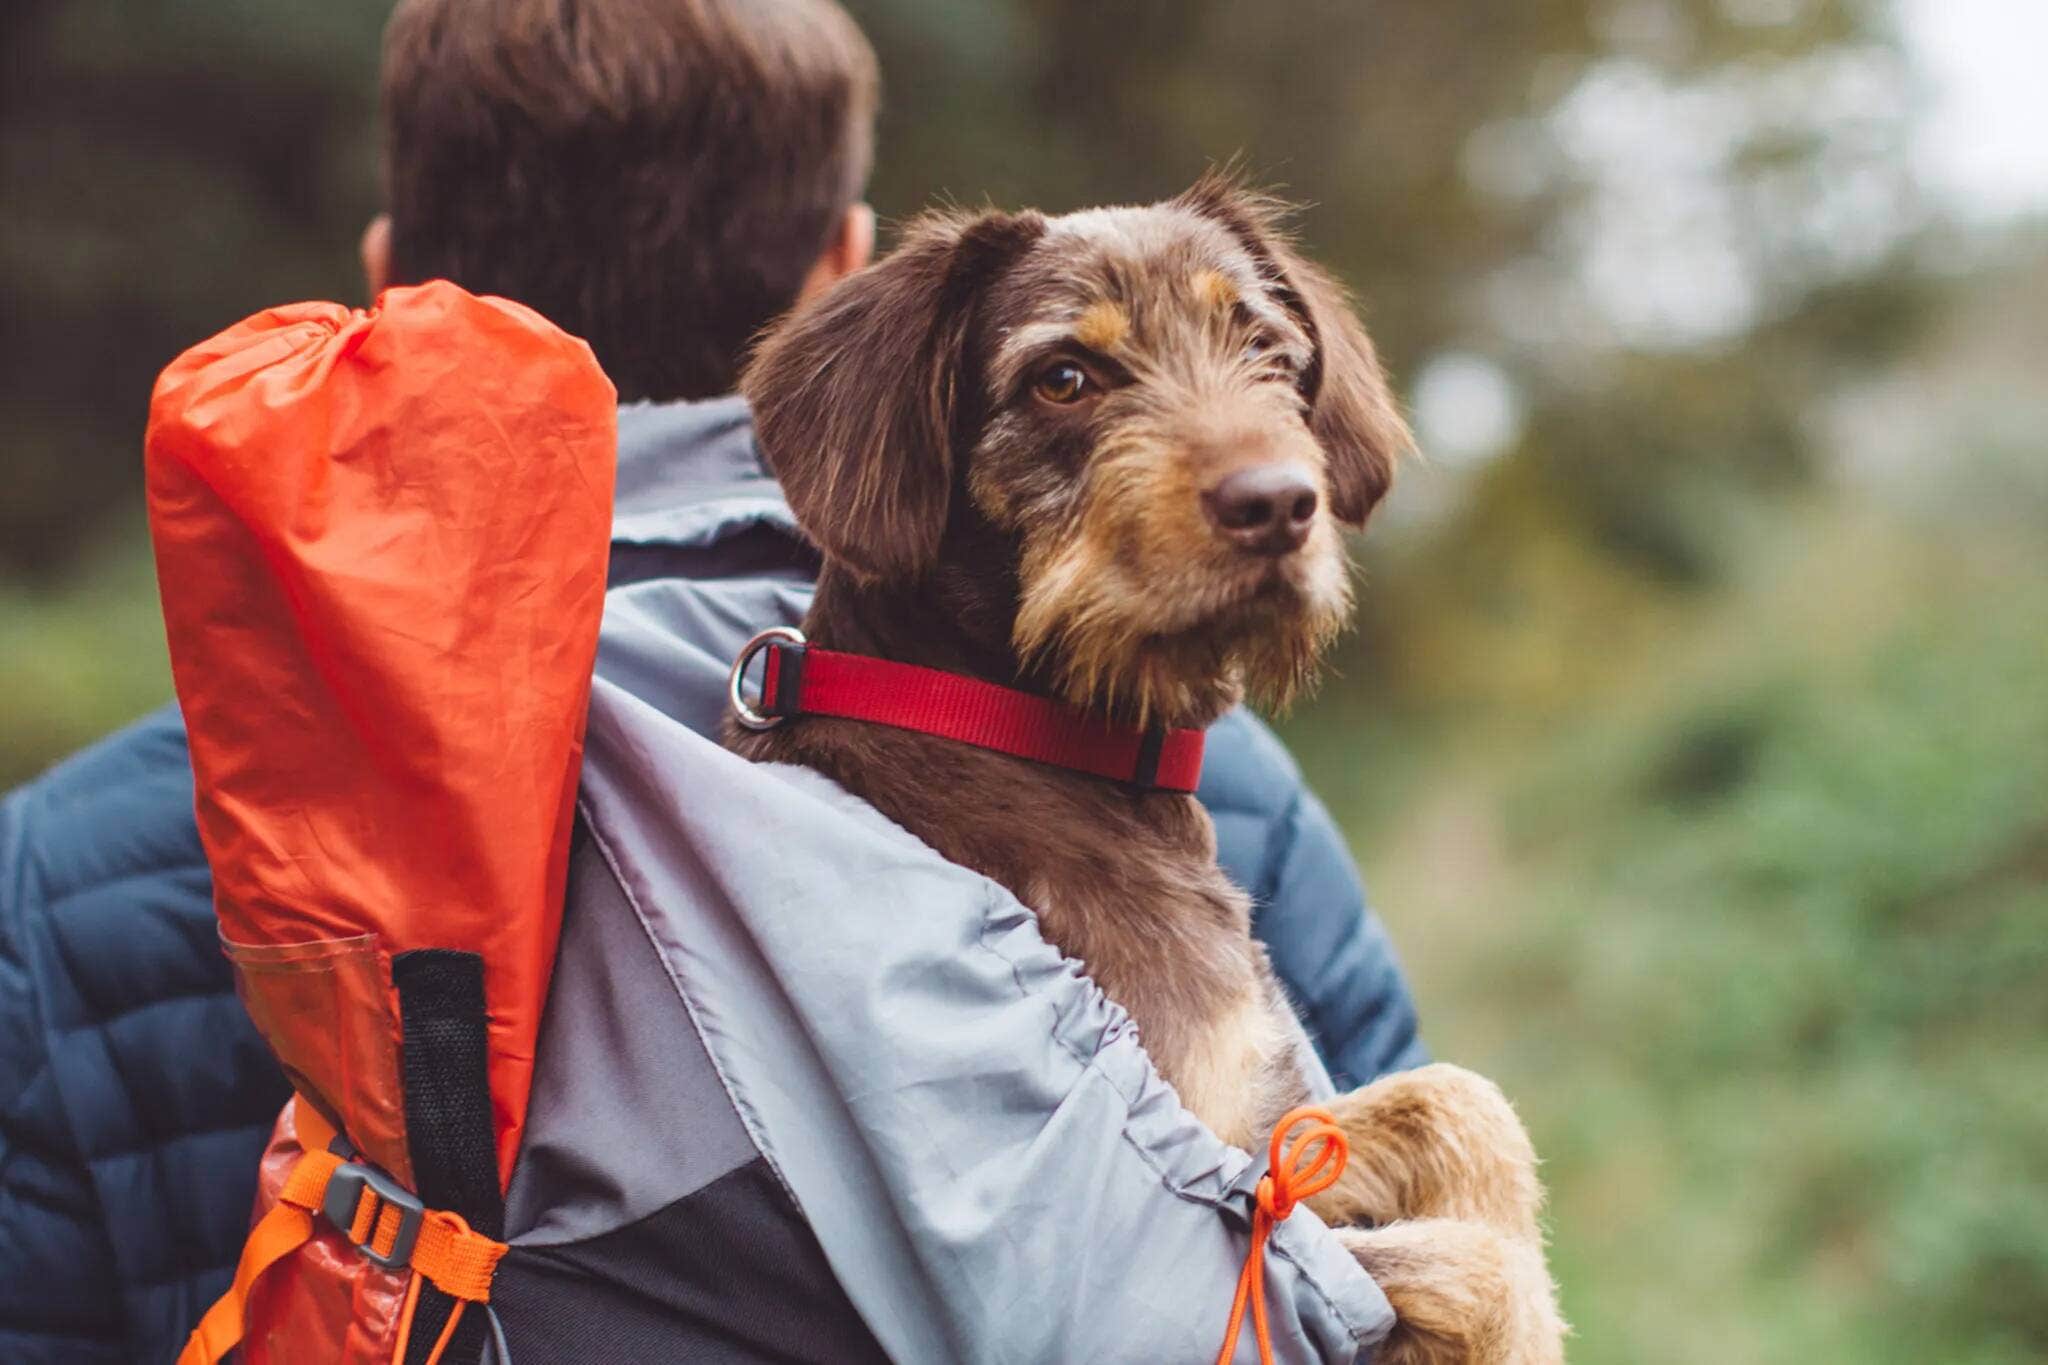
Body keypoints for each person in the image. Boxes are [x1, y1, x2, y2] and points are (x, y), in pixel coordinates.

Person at [0, 1, 1424, 1359]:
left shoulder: (58, 870)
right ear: (845, 271)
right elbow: (1371, 1303)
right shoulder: (1197, 774)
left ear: (387, 291)